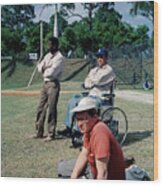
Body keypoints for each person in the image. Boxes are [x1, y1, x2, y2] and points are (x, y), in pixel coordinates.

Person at [58, 48, 116, 136]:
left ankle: (79, 131)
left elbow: (97, 80)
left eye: (101, 57)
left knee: (83, 103)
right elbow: (87, 81)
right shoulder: (95, 69)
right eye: (98, 57)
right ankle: (68, 128)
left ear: (106, 58)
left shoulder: (108, 70)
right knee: (73, 100)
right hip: (91, 95)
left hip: (101, 97)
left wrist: (90, 81)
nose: (99, 59)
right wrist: (90, 82)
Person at [70, 97, 125, 180]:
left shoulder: (100, 132)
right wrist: (73, 176)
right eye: (77, 120)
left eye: (82, 119)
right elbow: (84, 154)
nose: (79, 124)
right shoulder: (89, 129)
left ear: (94, 116)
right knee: (63, 167)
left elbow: (103, 173)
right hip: (93, 170)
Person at [32, 37, 64, 142]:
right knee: (40, 108)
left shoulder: (59, 57)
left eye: (50, 44)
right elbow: (39, 67)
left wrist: (45, 68)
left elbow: (52, 73)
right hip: (45, 84)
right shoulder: (48, 56)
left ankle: (51, 133)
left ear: (55, 45)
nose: (48, 46)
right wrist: (45, 67)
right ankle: (38, 132)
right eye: (48, 44)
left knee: (51, 108)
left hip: (53, 84)